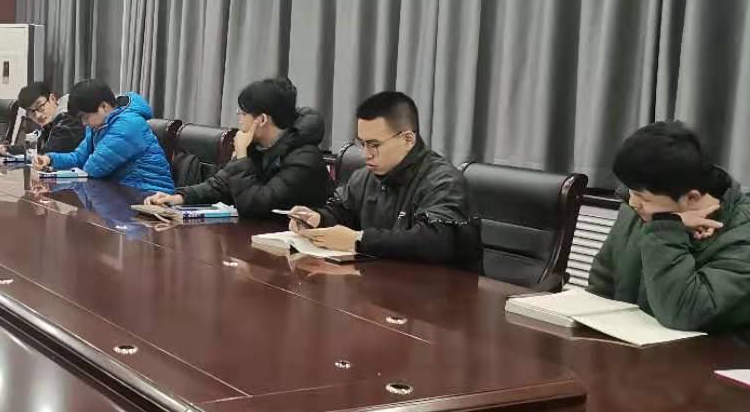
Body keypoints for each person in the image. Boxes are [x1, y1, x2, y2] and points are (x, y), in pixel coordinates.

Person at [587, 121, 750, 335]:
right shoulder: (635, 212)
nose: (633, 202)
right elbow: (601, 287)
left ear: (691, 197)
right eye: (631, 191)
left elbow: (682, 314)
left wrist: (667, 230)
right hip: (633, 344)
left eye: (643, 197)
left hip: (709, 352)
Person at [288, 90, 481, 270]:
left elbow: (434, 241)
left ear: (408, 139)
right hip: (381, 281)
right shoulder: (364, 177)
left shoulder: (444, 182)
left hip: (442, 289)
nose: (366, 154)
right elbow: (342, 211)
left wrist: (358, 240)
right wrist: (318, 219)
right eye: (362, 143)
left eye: (374, 144)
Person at [145, 77, 331, 218]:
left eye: (242, 113)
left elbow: (256, 206)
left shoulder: (304, 157)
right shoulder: (256, 146)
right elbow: (220, 184)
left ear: (262, 119)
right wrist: (178, 197)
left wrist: (241, 156)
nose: (238, 117)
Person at [35, 79, 174, 193]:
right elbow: (78, 157)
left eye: (85, 117)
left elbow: (92, 170)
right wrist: (49, 159)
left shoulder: (127, 125)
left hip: (150, 196)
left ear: (103, 107)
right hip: (120, 193)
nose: (84, 123)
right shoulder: (98, 125)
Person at [0, 80, 85, 156]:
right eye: (32, 112)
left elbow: (46, 153)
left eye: (40, 107)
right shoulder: (51, 122)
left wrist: (5, 150)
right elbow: (37, 149)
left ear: (52, 99)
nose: (38, 116)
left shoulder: (68, 119)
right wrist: (4, 149)